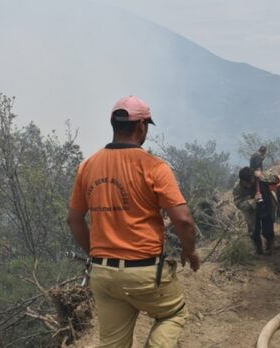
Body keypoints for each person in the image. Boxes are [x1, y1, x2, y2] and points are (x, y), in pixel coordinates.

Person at [67, 95, 200, 348]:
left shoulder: (87, 166)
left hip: (103, 275)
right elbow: (182, 220)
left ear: (113, 126)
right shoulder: (154, 167)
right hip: (144, 272)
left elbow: (74, 220)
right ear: (142, 127)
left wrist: (96, 255)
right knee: (173, 313)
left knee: (112, 343)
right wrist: (190, 250)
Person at [233, 167, 279, 255]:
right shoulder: (237, 188)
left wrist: (262, 176)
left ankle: (270, 246)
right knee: (254, 232)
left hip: (266, 207)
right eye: (248, 183)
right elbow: (239, 204)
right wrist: (253, 201)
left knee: (268, 230)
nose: (251, 184)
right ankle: (258, 249)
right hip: (251, 212)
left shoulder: (260, 178)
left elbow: (276, 180)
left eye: (252, 181)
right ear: (242, 181)